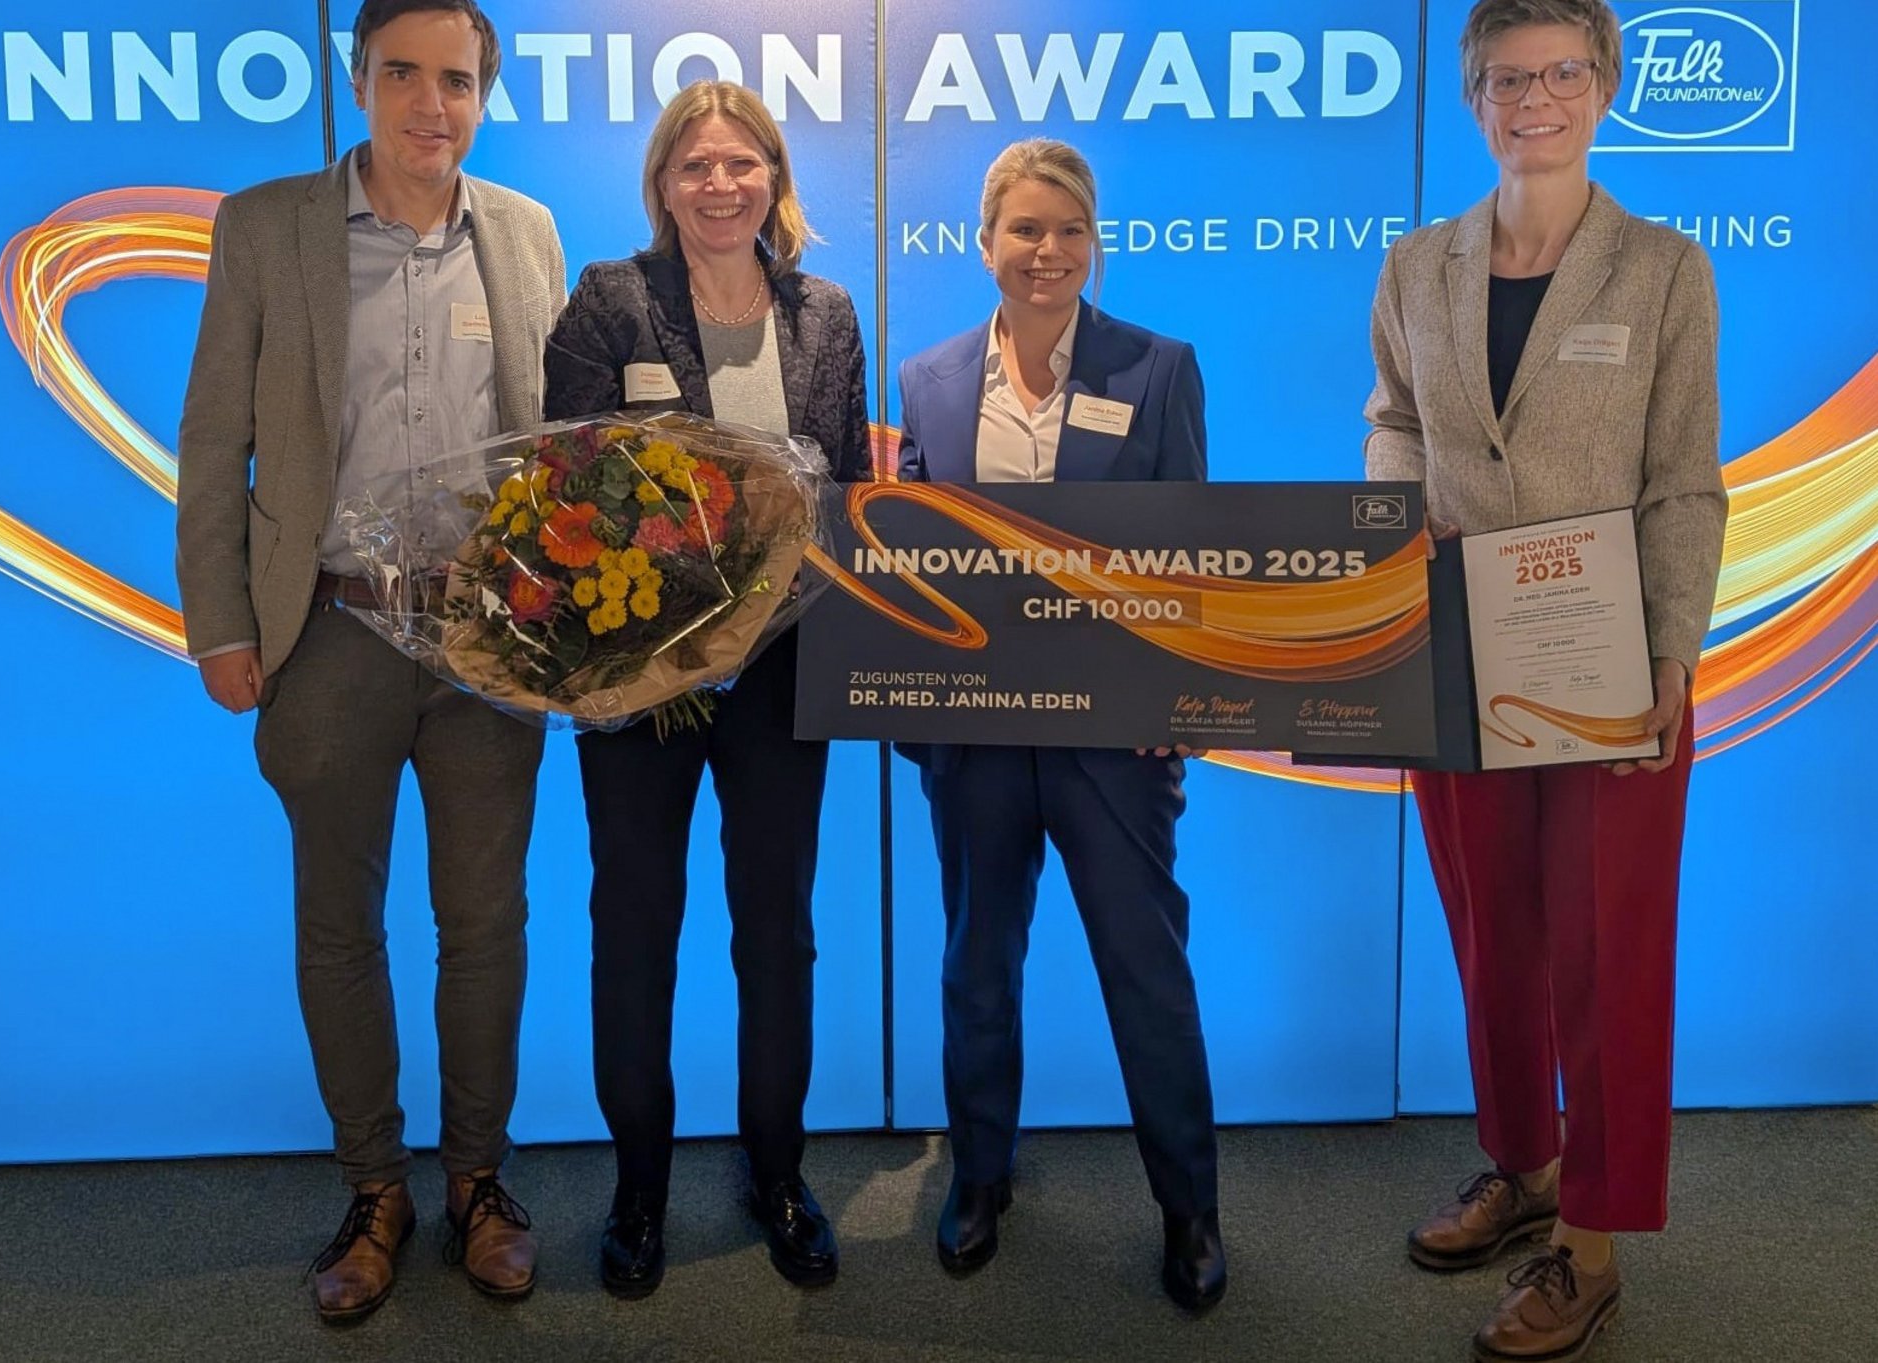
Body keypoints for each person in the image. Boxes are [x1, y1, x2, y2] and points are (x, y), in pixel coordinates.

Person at [174, 0, 566, 1323]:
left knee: (486, 924)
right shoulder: (266, 226)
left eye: (454, 81)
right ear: (358, 80)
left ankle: (478, 1181)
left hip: (483, 639)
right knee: (338, 923)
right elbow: (212, 438)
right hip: (329, 627)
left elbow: (550, 441)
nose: (428, 105)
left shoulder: (525, 232)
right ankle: (373, 1188)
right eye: (402, 74)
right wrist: (223, 623)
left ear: (480, 97)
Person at [1362, 2, 1727, 1358]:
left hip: (1606, 656)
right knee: (1492, 931)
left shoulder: (1664, 269)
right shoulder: (1416, 265)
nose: (1535, 99)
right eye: (1508, 78)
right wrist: (1398, 523)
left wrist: (1671, 652)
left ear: (1604, 86)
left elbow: (1682, 478)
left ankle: (1593, 1238)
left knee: (1606, 949)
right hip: (1455, 648)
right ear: (1473, 100)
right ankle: (1522, 1164)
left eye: (1563, 72)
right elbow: (1394, 420)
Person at [540, 79, 872, 1298]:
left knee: (777, 930)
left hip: (784, 673)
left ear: (772, 177)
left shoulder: (826, 313)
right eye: (696, 165)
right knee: (634, 927)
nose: (720, 185)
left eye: (741, 163)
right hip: (640, 675)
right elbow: (565, 486)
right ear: (662, 185)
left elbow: (844, 490)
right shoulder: (610, 299)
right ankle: (638, 1188)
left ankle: (776, 1173)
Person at [895, 137, 1225, 1316]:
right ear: (983, 242)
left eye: (1069, 229)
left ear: (1094, 242)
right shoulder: (928, 380)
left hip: (1113, 745)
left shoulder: (1157, 367)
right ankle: (979, 1176)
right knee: (976, 964)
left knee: (1146, 970)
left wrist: (1176, 706)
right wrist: (915, 716)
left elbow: (1188, 555)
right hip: (976, 740)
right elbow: (911, 565)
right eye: (1025, 229)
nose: (1048, 251)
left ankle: (1189, 1206)